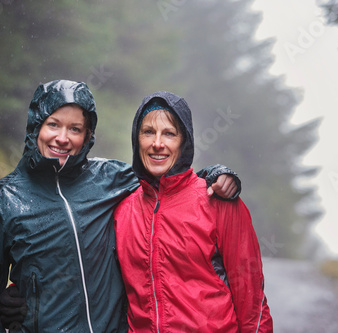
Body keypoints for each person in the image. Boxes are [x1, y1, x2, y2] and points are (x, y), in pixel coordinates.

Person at [0, 80, 241, 332]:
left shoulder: (112, 178)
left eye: (75, 129)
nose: (63, 138)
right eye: (53, 124)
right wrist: (10, 301)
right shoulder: (5, 198)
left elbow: (169, 180)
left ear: (87, 135)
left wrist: (215, 174)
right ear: (35, 126)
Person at [113, 91, 273, 332]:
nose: (158, 143)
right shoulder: (122, 211)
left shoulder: (218, 200)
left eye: (169, 133)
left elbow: (251, 301)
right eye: (148, 132)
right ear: (137, 139)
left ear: (184, 141)